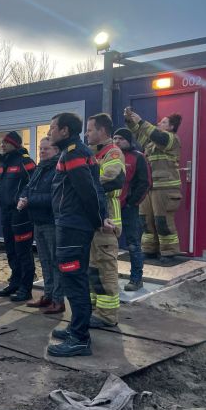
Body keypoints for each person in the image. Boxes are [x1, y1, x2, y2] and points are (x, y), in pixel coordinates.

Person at [48, 113, 108, 357]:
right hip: (72, 223)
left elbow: (88, 191)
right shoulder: (73, 151)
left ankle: (80, 339)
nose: (49, 132)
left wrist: (95, 221)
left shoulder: (74, 153)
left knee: (74, 279)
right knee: (73, 277)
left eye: (52, 128)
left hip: (74, 226)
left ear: (64, 131)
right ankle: (76, 327)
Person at [125, 108, 183, 263]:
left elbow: (155, 134)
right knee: (146, 220)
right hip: (150, 188)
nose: (159, 123)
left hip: (166, 188)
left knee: (162, 221)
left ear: (171, 127)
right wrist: (131, 120)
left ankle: (169, 253)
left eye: (163, 122)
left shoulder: (171, 139)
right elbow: (140, 135)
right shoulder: (152, 143)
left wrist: (141, 122)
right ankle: (149, 250)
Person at [85, 113, 125, 329]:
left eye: (90, 129)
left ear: (101, 131)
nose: (86, 133)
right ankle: (96, 309)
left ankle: (107, 315)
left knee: (105, 267)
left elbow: (113, 179)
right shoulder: (94, 153)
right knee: (93, 268)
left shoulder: (113, 153)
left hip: (107, 223)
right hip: (95, 222)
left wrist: (83, 185)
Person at [18, 138, 64, 314]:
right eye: (40, 148)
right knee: (44, 261)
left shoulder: (58, 169)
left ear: (55, 150)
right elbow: (28, 187)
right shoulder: (40, 168)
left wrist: (30, 201)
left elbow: (55, 197)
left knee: (55, 262)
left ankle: (58, 301)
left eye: (46, 148)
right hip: (38, 222)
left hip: (52, 223)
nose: (42, 151)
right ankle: (48, 295)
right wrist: (23, 197)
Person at [0, 131, 36, 301]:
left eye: (6, 142)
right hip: (6, 212)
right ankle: (15, 282)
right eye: (2, 142)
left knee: (23, 251)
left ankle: (26, 288)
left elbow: (33, 184)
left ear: (15, 144)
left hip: (21, 213)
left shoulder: (25, 161)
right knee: (11, 249)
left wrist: (22, 201)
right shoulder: (3, 163)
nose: (2, 145)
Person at [113, 127, 151, 291]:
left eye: (121, 138)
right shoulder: (112, 156)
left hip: (128, 208)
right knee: (108, 244)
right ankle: (110, 278)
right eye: (115, 138)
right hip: (112, 207)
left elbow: (145, 183)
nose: (117, 141)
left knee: (133, 244)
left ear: (129, 140)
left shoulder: (138, 157)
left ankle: (136, 279)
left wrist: (131, 202)